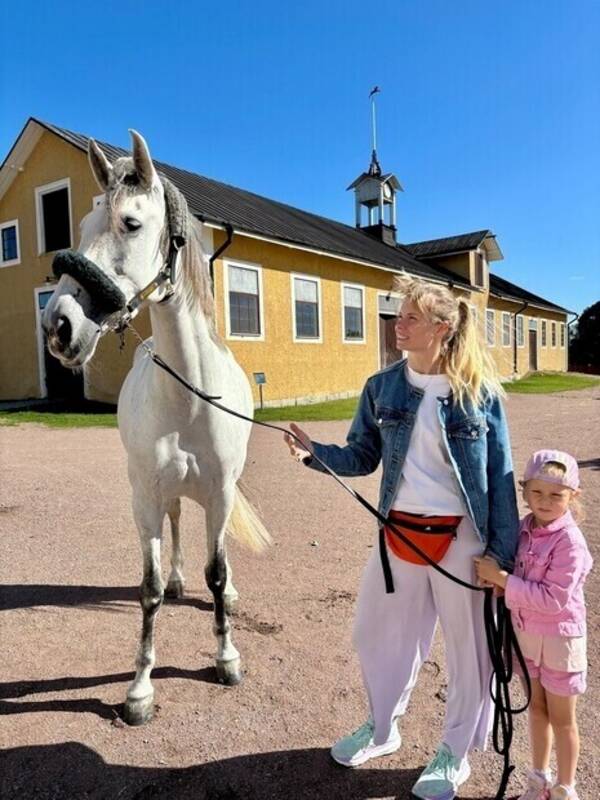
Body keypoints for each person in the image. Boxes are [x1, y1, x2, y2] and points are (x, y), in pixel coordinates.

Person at [284, 274, 519, 800]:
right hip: (399, 539)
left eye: (410, 317)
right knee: (375, 635)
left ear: (440, 328)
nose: (398, 324)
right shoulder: (381, 388)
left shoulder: (479, 395)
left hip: (464, 544)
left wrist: (502, 557)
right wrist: (314, 452)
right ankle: (383, 729)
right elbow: (363, 456)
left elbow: (501, 479)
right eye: (398, 315)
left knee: (470, 652)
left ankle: (454, 753)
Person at [475, 450, 592, 800]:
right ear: (524, 492)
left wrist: (503, 579)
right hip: (527, 637)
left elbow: (554, 599)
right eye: (537, 492)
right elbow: (521, 578)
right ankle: (538, 781)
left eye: (556, 495)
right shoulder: (523, 530)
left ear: (573, 496)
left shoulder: (570, 542)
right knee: (536, 710)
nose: (545, 501)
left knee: (563, 719)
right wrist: (497, 582)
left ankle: (565, 788)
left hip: (560, 640)